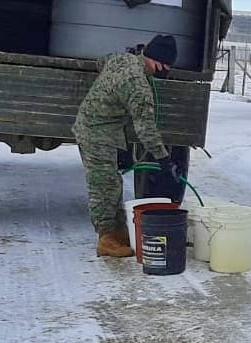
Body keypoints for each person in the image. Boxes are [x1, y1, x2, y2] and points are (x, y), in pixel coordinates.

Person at [73, 34, 179, 257]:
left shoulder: (121, 59)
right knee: (103, 186)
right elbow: (146, 129)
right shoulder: (139, 86)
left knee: (113, 182)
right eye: (167, 66)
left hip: (99, 127)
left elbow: (100, 62)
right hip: (96, 132)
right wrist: (164, 159)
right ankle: (106, 239)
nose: (167, 70)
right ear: (159, 62)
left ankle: (119, 232)